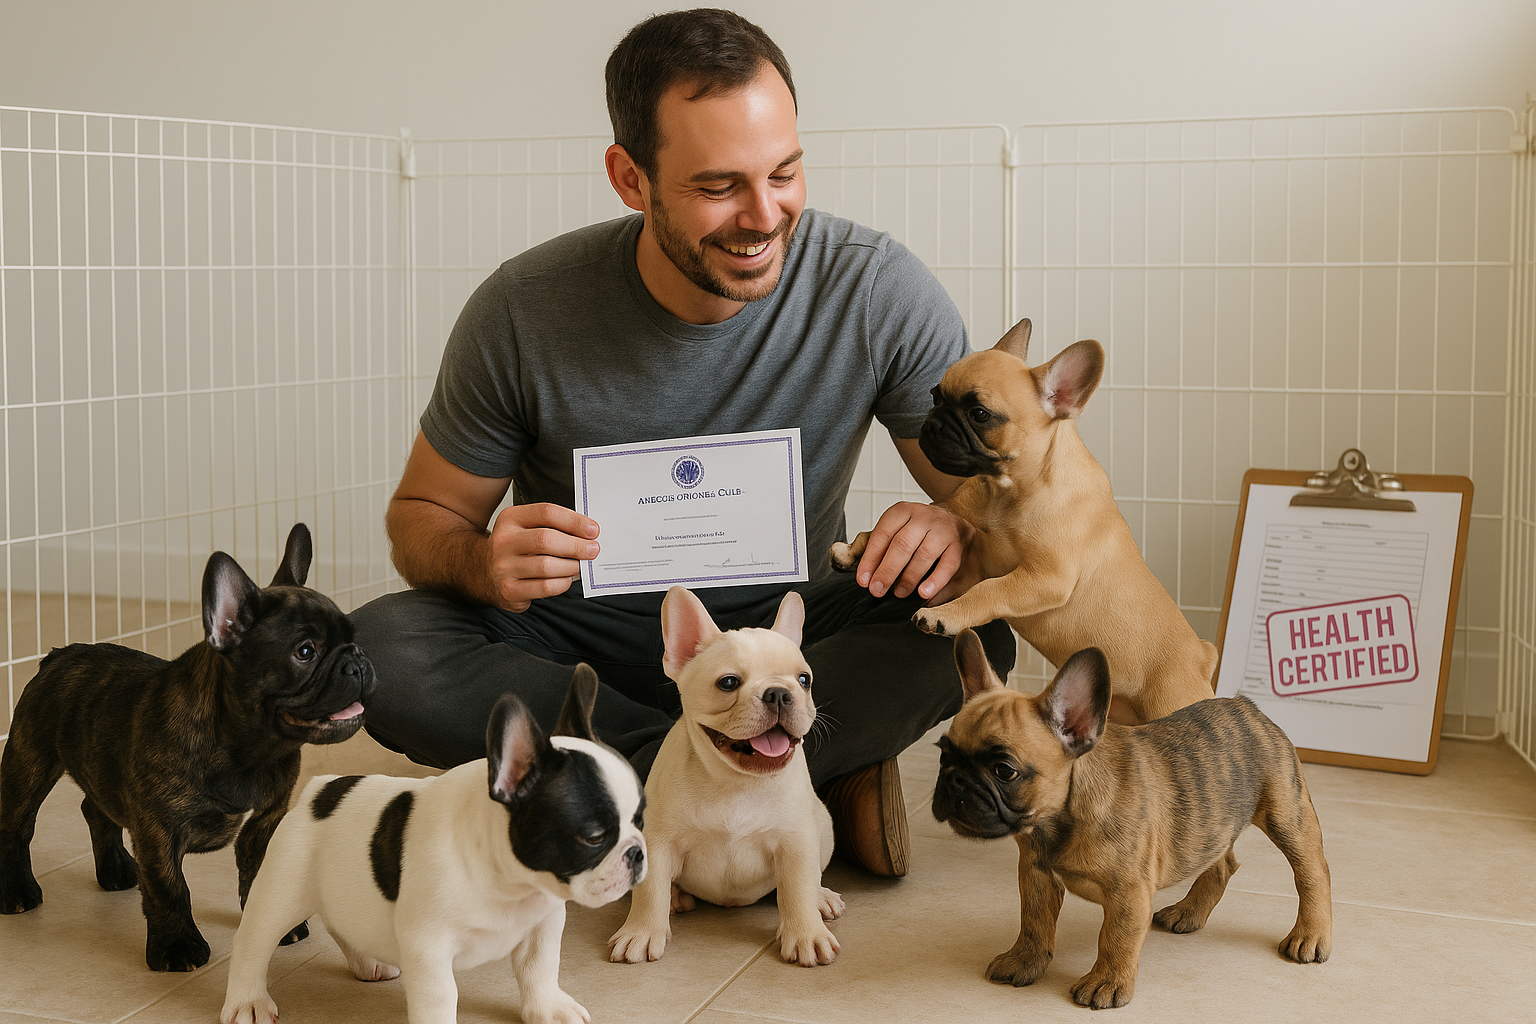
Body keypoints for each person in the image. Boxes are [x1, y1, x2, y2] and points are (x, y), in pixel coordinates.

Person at [352, 8, 1014, 877]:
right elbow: (422, 518)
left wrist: (958, 529)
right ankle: (789, 782)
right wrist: (481, 562)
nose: (764, 215)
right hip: (577, 652)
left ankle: (631, 796)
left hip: (791, 644)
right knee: (378, 652)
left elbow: (1009, 519)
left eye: (785, 172)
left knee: (973, 633)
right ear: (631, 178)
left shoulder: (875, 289)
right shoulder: (523, 308)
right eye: (718, 186)